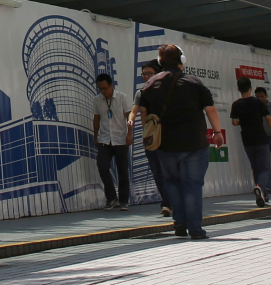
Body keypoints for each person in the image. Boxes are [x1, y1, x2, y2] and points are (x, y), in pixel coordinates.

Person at [136, 44, 224, 239]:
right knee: (192, 185)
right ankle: (195, 229)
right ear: (182, 60)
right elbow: (210, 109)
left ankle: (179, 223)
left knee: (172, 182)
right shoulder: (194, 83)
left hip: (165, 145)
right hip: (194, 143)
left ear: (160, 62)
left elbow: (144, 115)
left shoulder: (150, 85)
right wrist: (217, 132)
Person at [231, 77, 271, 207]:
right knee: (265, 168)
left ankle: (263, 195)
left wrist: (244, 121)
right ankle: (260, 187)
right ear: (251, 88)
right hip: (261, 138)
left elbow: (234, 122)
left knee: (255, 168)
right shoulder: (258, 102)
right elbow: (268, 118)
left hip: (247, 140)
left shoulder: (236, 104)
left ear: (238, 89)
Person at [136, 62, 172, 217]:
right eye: (144, 74)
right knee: (162, 171)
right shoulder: (144, 92)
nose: (146, 76)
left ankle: (168, 203)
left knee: (161, 171)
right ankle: (168, 203)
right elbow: (139, 111)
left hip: (158, 136)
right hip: (160, 136)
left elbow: (143, 114)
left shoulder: (146, 92)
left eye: (149, 73)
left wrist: (148, 130)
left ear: (158, 73)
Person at [92, 73, 132, 211]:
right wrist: (95, 136)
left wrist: (129, 135)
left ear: (111, 86)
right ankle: (111, 198)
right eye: (100, 89)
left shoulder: (122, 98)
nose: (103, 91)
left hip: (120, 138)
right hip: (105, 139)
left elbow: (129, 118)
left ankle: (124, 200)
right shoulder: (97, 100)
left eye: (105, 88)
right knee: (102, 166)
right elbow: (96, 119)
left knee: (122, 170)